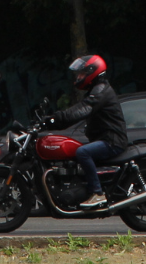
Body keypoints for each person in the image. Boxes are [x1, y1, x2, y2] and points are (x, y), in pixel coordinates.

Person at [49, 54, 127, 209]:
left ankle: (97, 193)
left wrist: (56, 119)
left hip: (112, 140)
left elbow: (82, 110)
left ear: (93, 72)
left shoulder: (100, 91)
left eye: (82, 74)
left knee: (82, 152)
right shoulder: (98, 90)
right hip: (106, 138)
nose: (78, 77)